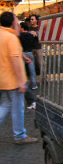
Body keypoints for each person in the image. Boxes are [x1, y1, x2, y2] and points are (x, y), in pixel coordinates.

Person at [0, 11, 38, 144]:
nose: (17, 22)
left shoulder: (2, 35)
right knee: (17, 109)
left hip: (3, 79)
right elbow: (14, 60)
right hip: (13, 80)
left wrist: (22, 55)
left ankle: (20, 134)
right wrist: (21, 82)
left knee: (5, 106)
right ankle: (20, 135)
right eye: (15, 20)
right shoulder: (11, 39)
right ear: (12, 22)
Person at [19, 22, 38, 90]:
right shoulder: (31, 35)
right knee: (32, 70)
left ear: (22, 28)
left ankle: (24, 84)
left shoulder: (19, 36)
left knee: (22, 70)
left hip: (22, 53)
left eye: (20, 27)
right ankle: (34, 85)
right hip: (30, 52)